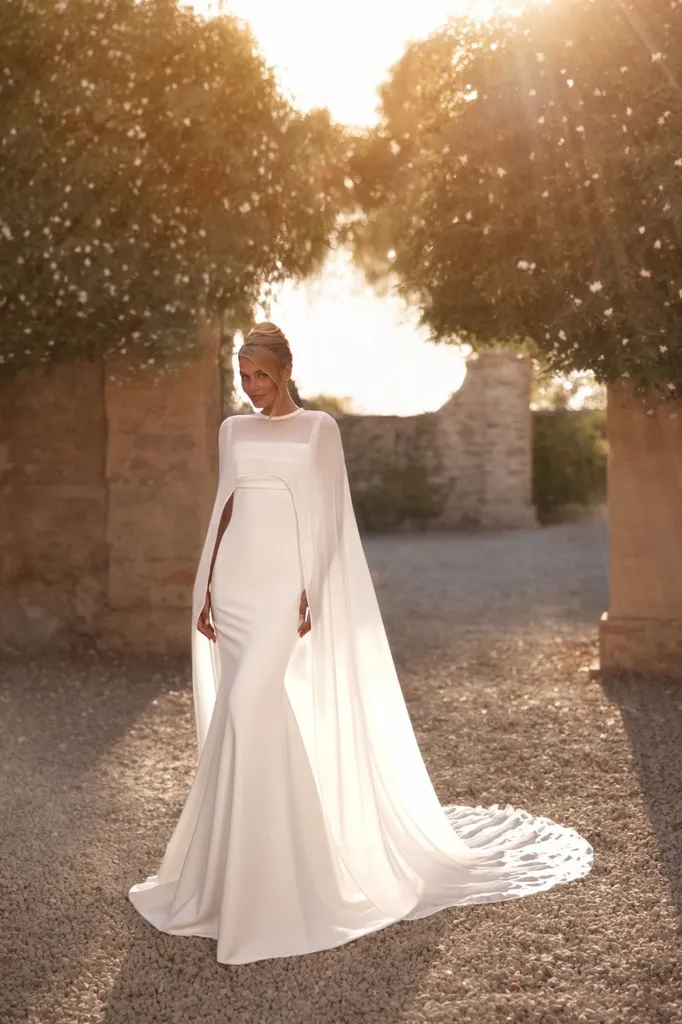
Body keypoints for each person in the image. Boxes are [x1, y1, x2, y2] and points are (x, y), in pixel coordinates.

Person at [128, 321, 594, 965]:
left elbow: (328, 517)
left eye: (261, 374)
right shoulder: (232, 430)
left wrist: (309, 591)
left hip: (280, 586)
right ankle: (241, 871)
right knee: (246, 715)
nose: (251, 386)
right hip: (233, 585)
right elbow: (225, 508)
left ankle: (288, 875)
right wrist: (205, 586)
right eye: (243, 375)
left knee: (249, 708)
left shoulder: (319, 430)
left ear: (285, 371)